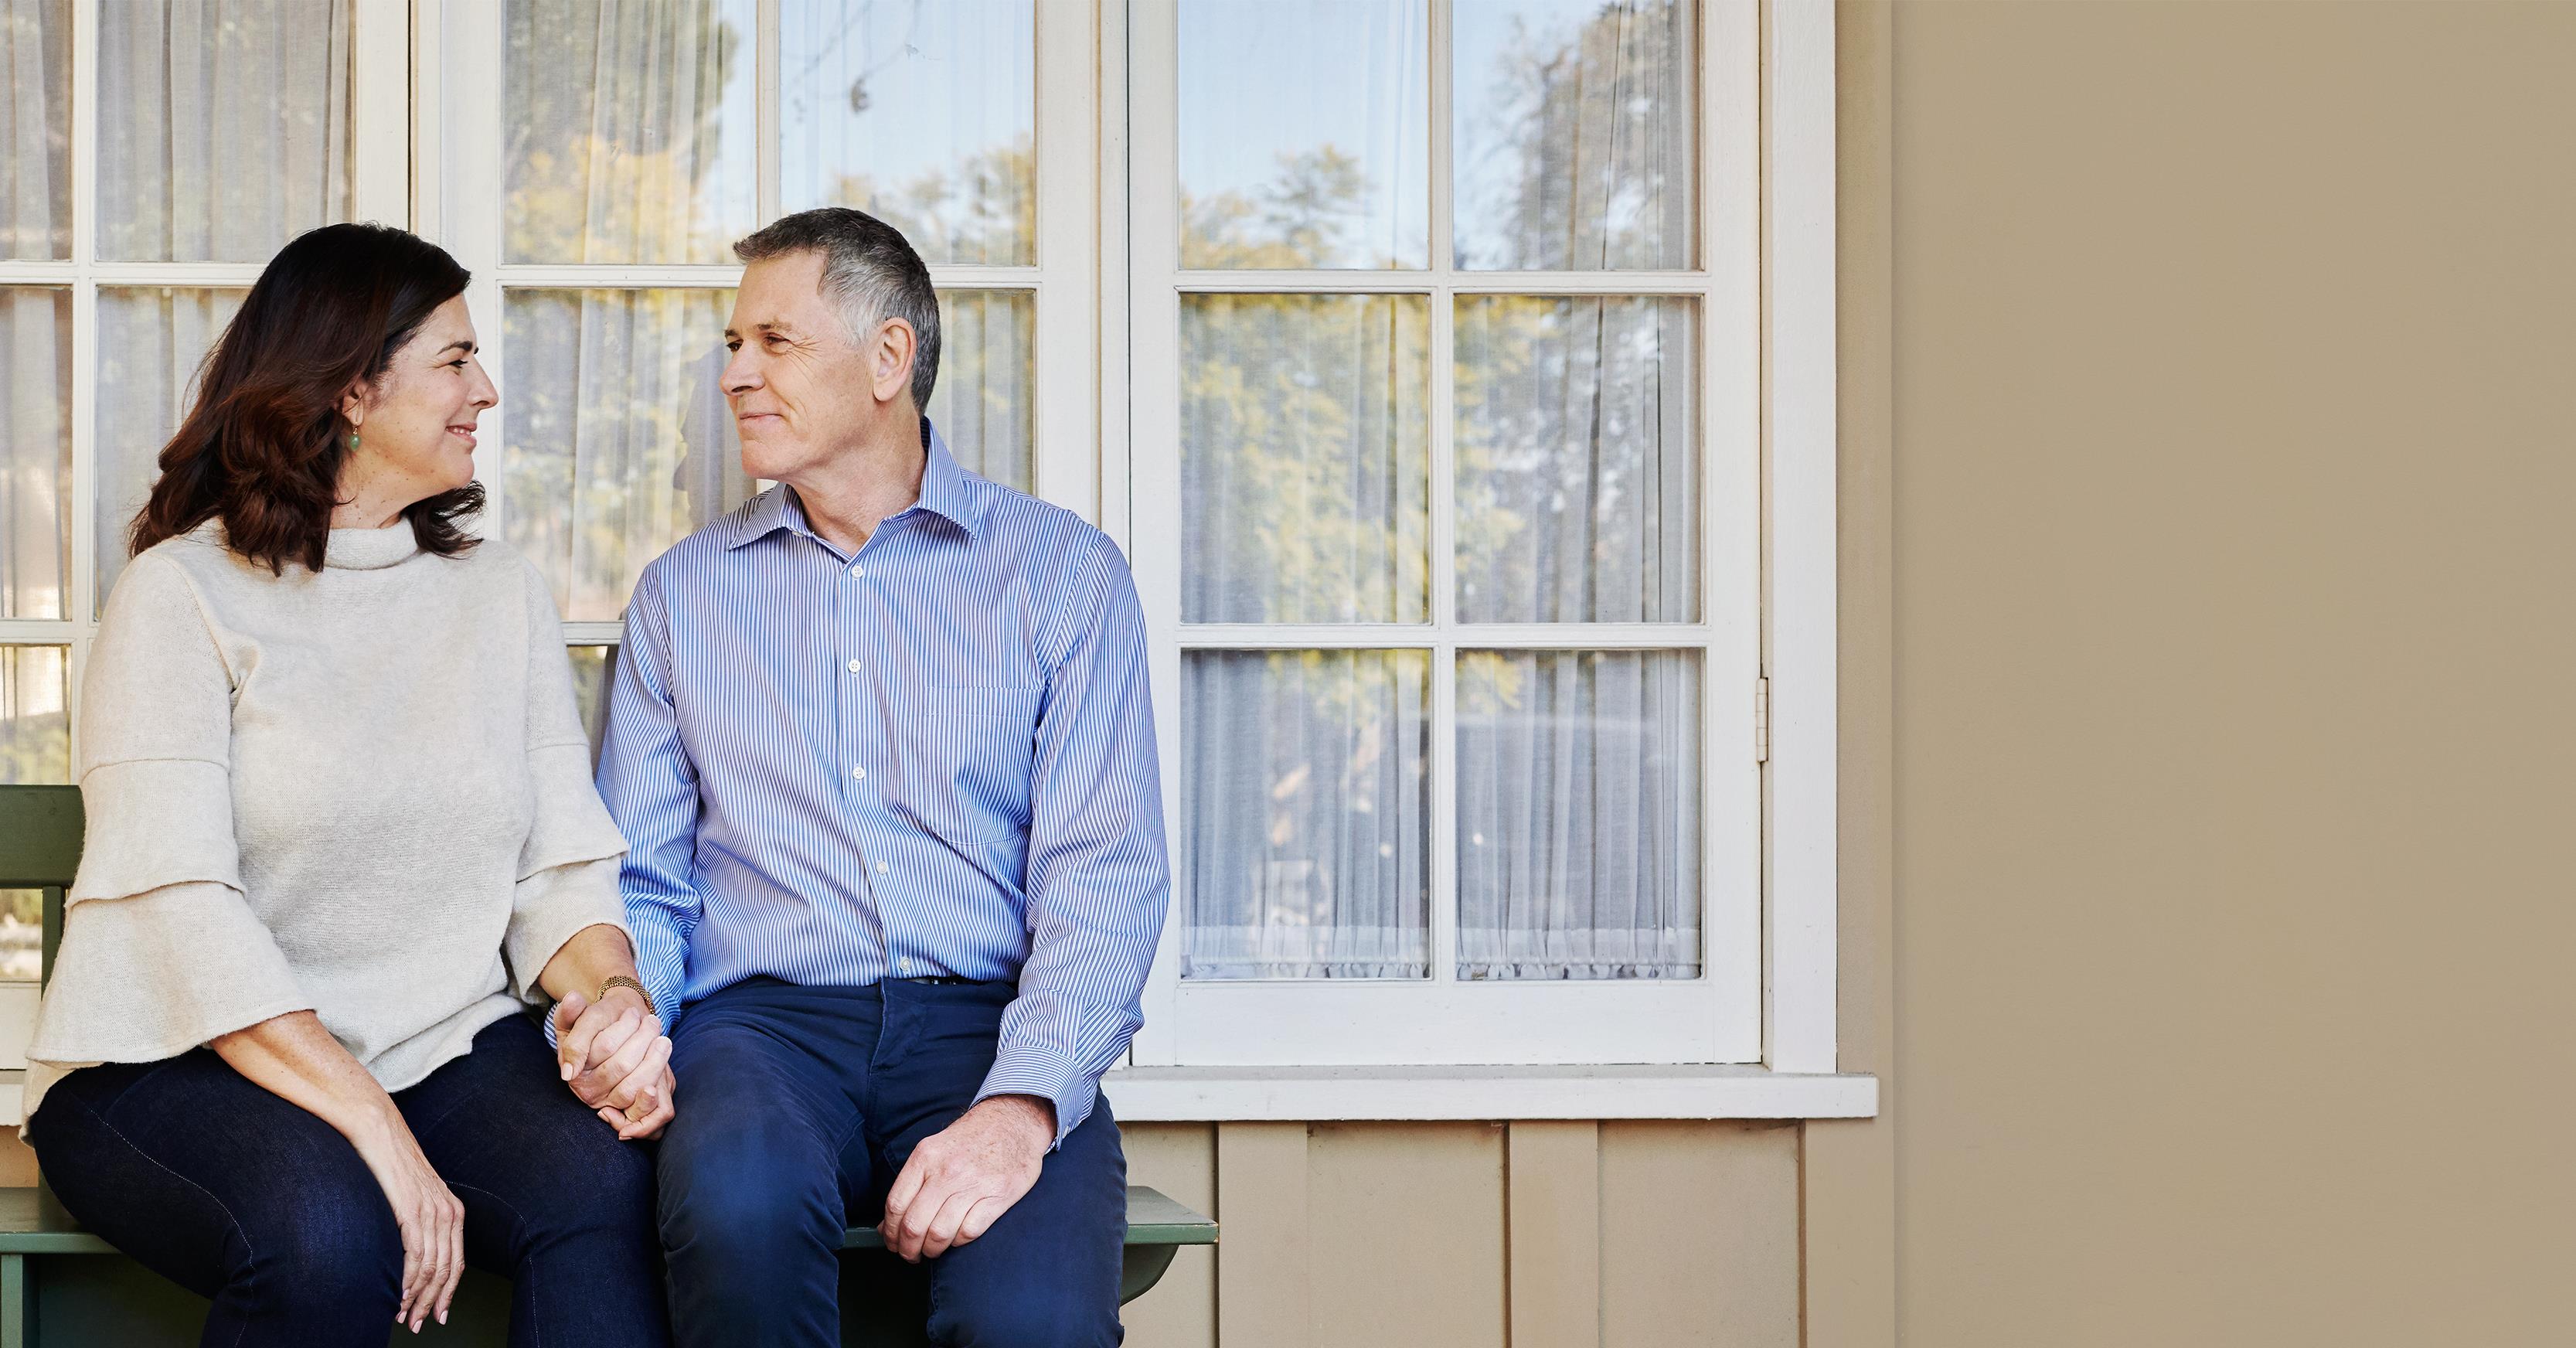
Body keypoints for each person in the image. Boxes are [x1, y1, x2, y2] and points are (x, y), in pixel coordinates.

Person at [22, 223, 675, 1348]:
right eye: (457, 360)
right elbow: (184, 914)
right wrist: (376, 1131)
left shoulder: (498, 596)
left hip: (439, 1046)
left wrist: (613, 1006)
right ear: (357, 390)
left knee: (607, 1193)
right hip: (177, 1057)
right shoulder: (179, 597)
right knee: (331, 1231)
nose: (489, 391)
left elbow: (558, 871)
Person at [590, 206, 1169, 1347]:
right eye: (731, 344)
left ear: (889, 360)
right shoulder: (682, 597)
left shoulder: (1063, 578)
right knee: (736, 1217)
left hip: (988, 1026)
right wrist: (631, 1015)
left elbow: (1102, 876)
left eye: (774, 342)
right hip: (760, 1032)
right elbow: (644, 883)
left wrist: (1018, 1107)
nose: (735, 375)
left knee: (1033, 1325)